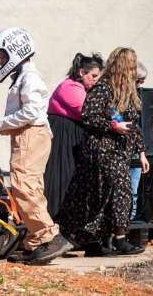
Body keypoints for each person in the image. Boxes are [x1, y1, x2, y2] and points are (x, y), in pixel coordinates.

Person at [0, 27, 73, 264]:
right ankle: (35, 241)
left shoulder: (30, 77)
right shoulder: (23, 76)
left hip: (31, 135)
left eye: (2, 55)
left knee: (23, 185)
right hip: (28, 134)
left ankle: (48, 235)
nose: (0, 60)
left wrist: (2, 123)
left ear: (15, 52)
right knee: (30, 187)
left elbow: (32, 111)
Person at [57, 47, 149, 256]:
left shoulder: (128, 94)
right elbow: (88, 117)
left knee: (102, 197)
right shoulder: (103, 89)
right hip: (102, 149)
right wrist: (113, 126)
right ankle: (119, 238)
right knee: (120, 190)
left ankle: (94, 242)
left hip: (120, 151)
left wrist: (141, 152)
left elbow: (134, 125)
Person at [44, 53, 104, 217]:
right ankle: (54, 222)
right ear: (81, 73)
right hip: (63, 135)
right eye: (93, 76)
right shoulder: (69, 88)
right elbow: (89, 111)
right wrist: (113, 122)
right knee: (61, 177)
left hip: (72, 134)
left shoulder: (81, 89)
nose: (95, 80)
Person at [129, 61, 148, 220]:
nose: (140, 85)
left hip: (135, 151)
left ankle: (128, 225)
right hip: (121, 151)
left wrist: (141, 153)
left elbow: (138, 128)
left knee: (133, 191)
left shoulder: (138, 99)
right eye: (138, 81)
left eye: (143, 82)